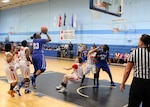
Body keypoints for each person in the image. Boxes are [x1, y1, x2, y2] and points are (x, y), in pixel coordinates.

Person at [120, 34, 150, 107]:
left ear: (142, 42)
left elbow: (127, 70)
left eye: (139, 40)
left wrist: (123, 83)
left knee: (133, 104)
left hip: (138, 82)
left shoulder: (135, 52)